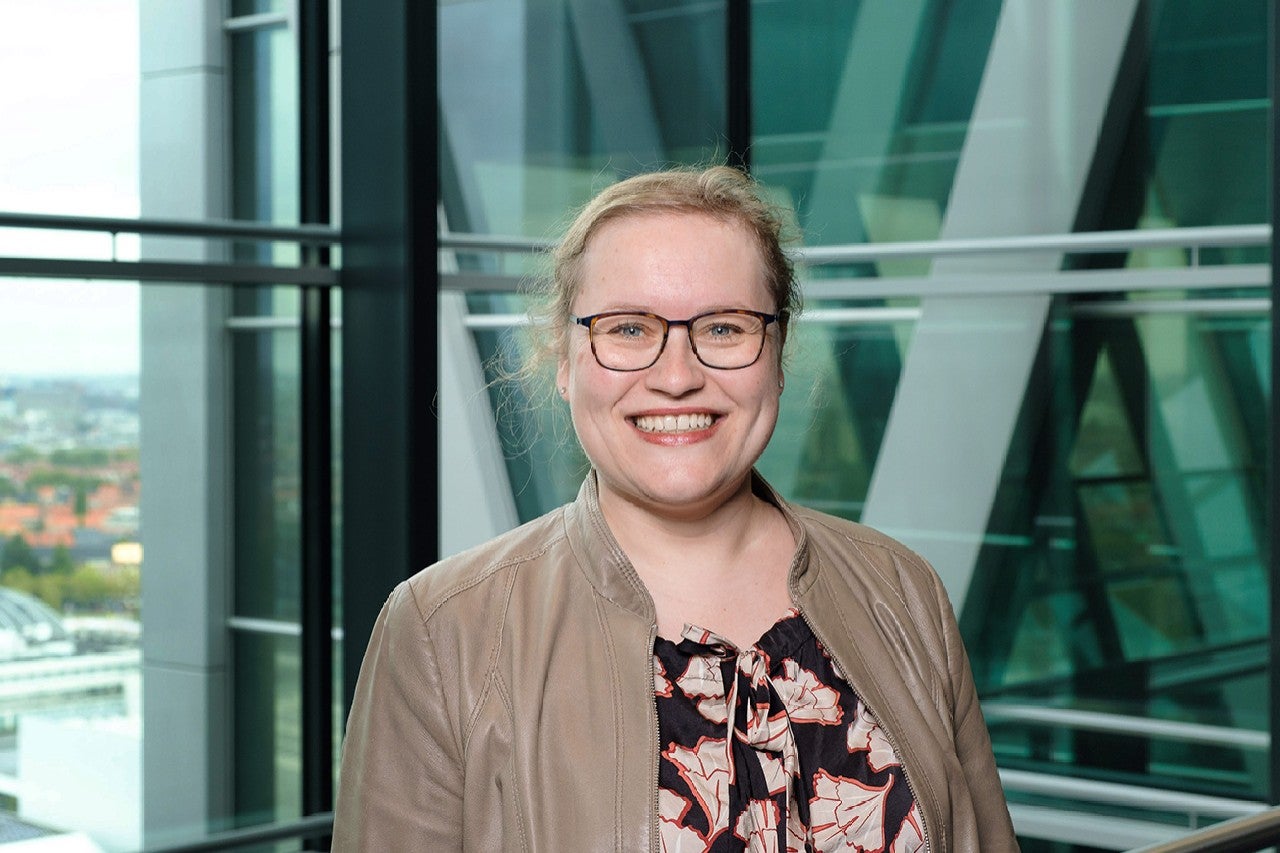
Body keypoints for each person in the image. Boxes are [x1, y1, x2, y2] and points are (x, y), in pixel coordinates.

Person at [332, 166, 1019, 851]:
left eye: (723, 328)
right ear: (564, 361)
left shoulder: (903, 591)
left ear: (777, 355)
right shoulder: (442, 631)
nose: (677, 375)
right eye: (629, 328)